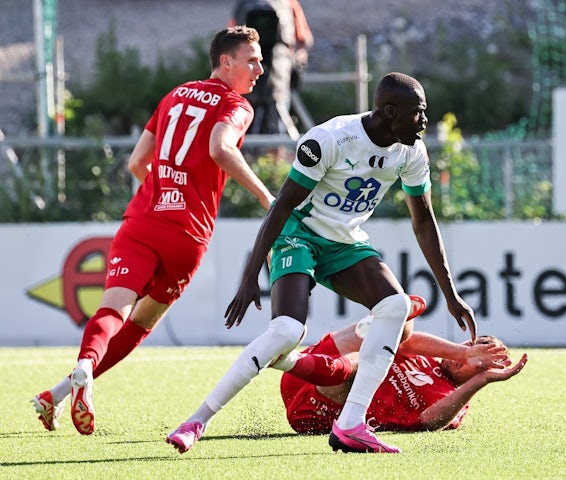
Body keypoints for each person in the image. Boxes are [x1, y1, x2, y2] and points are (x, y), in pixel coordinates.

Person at [166, 72, 477, 454]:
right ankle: (197, 420)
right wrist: (251, 275)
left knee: (395, 307)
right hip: (299, 233)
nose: (424, 121)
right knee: (286, 332)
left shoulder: (411, 150)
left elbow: (424, 222)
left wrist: (451, 293)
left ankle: (350, 424)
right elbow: (281, 206)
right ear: (390, 112)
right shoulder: (330, 139)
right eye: (418, 113)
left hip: (344, 241)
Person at [31, 26, 274, 436]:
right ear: (225, 62)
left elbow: (137, 163)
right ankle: (66, 387)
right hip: (186, 234)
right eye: (252, 60)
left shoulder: (173, 96)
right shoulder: (235, 105)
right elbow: (220, 148)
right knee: (142, 322)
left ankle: (68, 383)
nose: (260, 69)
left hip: (144, 218)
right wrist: (269, 197)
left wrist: (164, 193)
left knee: (113, 308)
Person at [278, 304, 528, 434]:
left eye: (477, 361)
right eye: (471, 345)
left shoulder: (454, 402)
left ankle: (289, 355)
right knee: (401, 325)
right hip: (307, 372)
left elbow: (429, 421)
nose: (465, 354)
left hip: (319, 405)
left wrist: (483, 380)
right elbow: (407, 340)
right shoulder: (433, 354)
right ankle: (287, 351)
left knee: (373, 356)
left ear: (479, 373)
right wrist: (463, 353)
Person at [229, 0, 314, 136]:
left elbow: (230, 38)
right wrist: (296, 60)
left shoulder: (243, 4)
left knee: (242, 126)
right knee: (278, 127)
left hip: (246, 75)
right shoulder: (288, 3)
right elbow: (304, 39)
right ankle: (276, 154)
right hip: (279, 74)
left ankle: (248, 155)